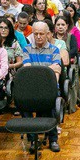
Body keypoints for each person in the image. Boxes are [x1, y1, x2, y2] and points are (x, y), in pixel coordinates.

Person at [23, 22, 62, 152]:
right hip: (31, 88)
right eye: (36, 34)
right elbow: (27, 71)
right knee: (23, 106)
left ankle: (53, 139)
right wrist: (48, 69)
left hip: (48, 88)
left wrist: (39, 71)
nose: (38, 37)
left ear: (48, 34)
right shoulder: (27, 49)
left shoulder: (54, 50)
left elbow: (56, 72)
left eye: (41, 34)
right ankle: (33, 139)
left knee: (50, 106)